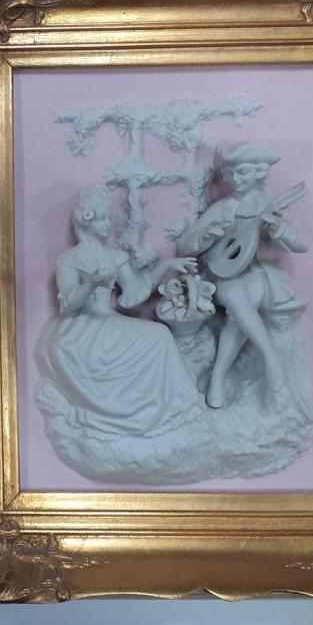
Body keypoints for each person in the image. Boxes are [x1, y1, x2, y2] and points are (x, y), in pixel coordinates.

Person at [36, 185, 203, 438]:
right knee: (79, 349)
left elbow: (135, 292)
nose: (108, 224)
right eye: (102, 218)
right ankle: (116, 412)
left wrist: (167, 265)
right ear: (87, 220)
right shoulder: (69, 260)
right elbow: (68, 303)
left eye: (108, 217)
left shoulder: (115, 256)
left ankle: (178, 405)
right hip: (82, 326)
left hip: (109, 319)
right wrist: (91, 283)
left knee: (159, 334)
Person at [176, 142, 307, 407]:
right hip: (222, 275)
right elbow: (185, 245)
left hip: (260, 277)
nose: (236, 179)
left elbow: (300, 245)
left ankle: (217, 378)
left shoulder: (269, 205)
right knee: (236, 295)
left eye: (243, 172)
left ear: (259, 172)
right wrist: (206, 235)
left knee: (239, 313)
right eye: (231, 173)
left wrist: (278, 230)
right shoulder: (224, 207)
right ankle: (271, 357)